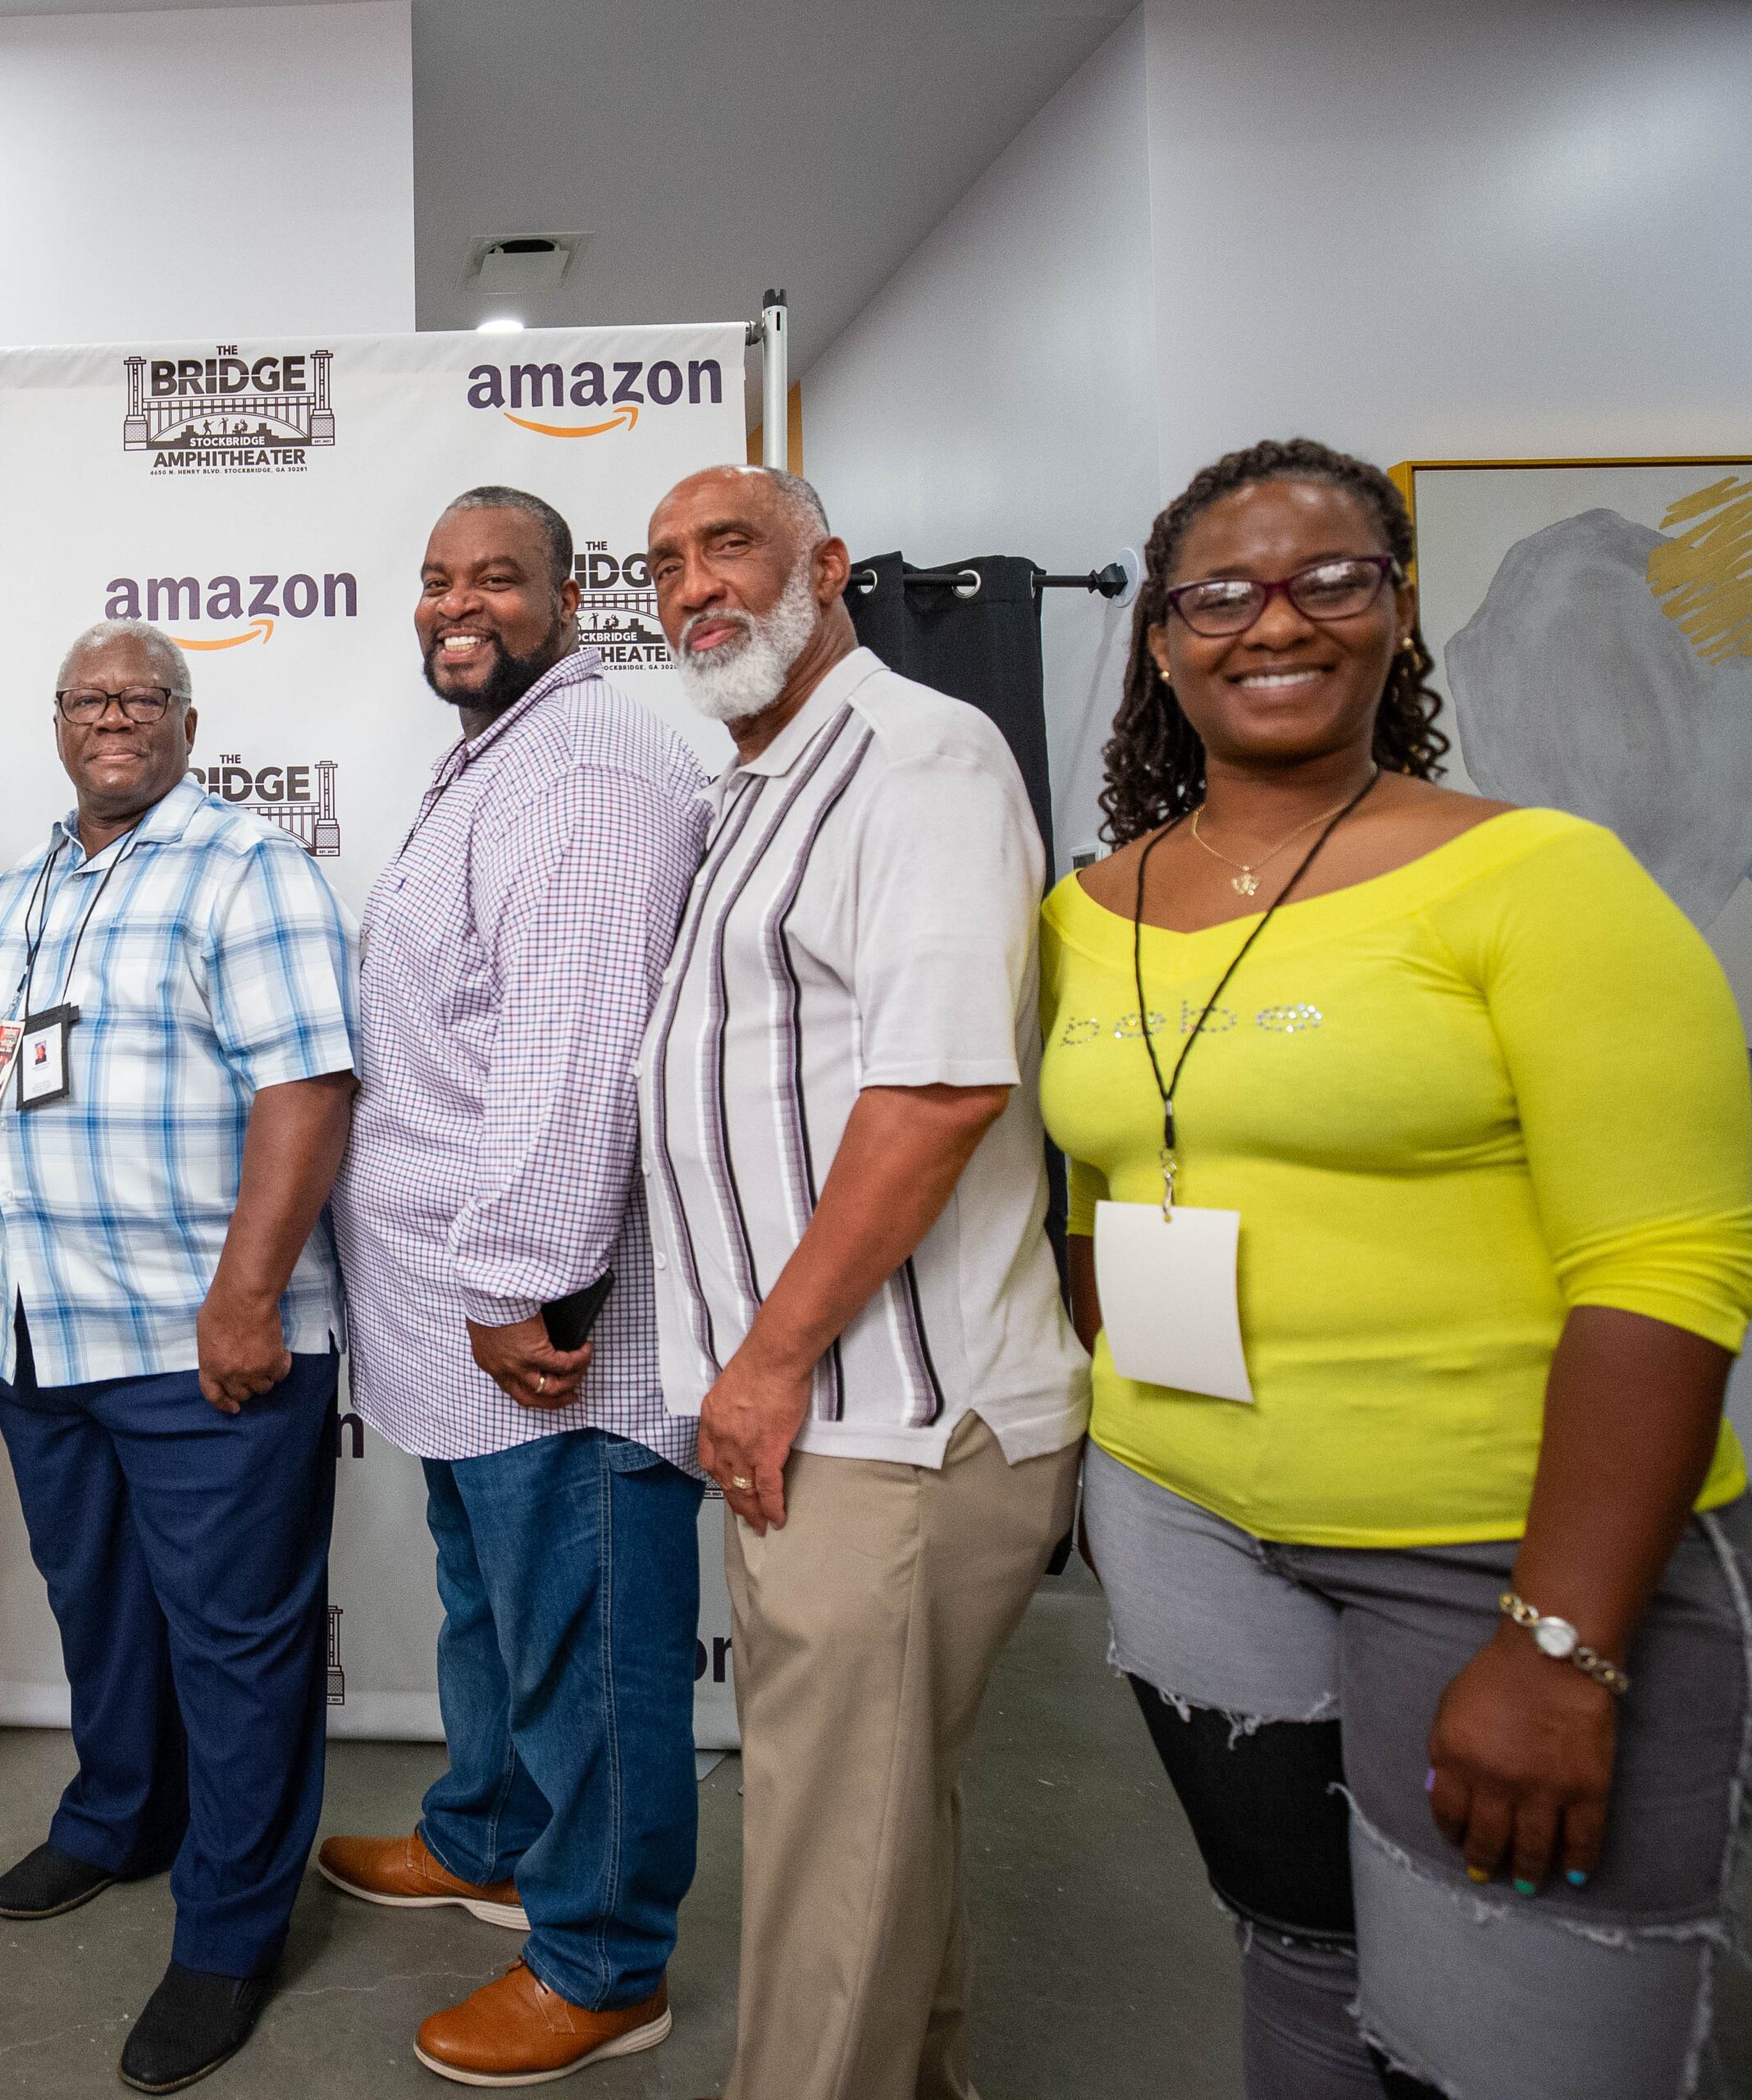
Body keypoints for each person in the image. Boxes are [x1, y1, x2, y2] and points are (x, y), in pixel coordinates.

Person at [1043, 438, 1752, 2100]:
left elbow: (1672, 1260)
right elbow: (1095, 1188)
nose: (1273, 620)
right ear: (1161, 639)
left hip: (1493, 1552)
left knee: (1517, 2041)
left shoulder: (1544, 876)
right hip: (1188, 1518)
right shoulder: (1084, 910)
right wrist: (1134, 1446)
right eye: (1221, 591)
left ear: (1398, 616)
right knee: (1298, 1949)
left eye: (1330, 579)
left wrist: (1564, 1638)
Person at [635, 466, 1087, 2100]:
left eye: (732, 546)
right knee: (884, 1819)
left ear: (826, 569)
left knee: (834, 1851)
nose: (698, 583)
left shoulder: (920, 756)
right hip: (813, 1417)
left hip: (889, 1422)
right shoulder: (756, 782)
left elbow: (941, 1088)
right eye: (669, 562)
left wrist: (765, 1360)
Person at [321, 486, 709, 2088]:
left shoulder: (590, 764)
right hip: (453, 1308)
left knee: (586, 1631)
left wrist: (525, 1278)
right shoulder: (502, 748)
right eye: (434, 578)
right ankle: (489, 1832)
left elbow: (572, 1047)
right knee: (492, 1608)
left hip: (548, 1325)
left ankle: (604, 1956)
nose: (457, 603)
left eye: (497, 576)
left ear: (569, 595)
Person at [0, 619, 357, 2093]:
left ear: (189, 720)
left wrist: (248, 1297)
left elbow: (308, 1089)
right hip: (42, 1328)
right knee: (103, 1610)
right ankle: (120, 1815)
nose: (112, 716)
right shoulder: (16, 890)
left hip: (206, 1340)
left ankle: (232, 1930)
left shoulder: (251, 870)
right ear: (57, 721)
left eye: (143, 697)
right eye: (88, 697)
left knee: (240, 1643)